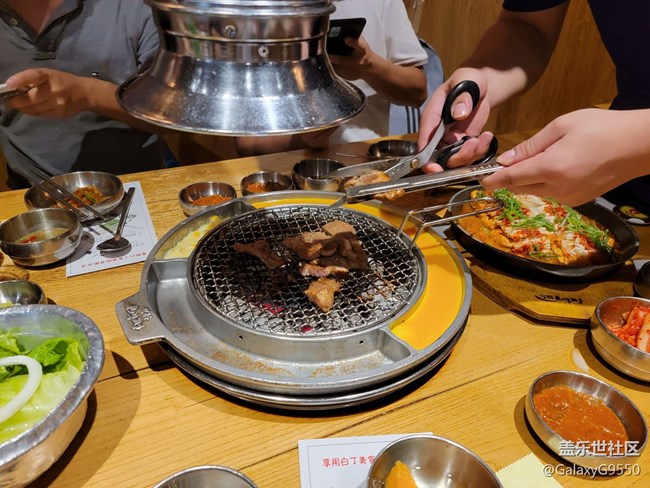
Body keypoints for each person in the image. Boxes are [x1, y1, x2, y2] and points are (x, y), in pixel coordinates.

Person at [417, 0, 650, 213]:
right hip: (618, 190)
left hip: (610, 165)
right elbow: (528, 26)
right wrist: (481, 79)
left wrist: (635, 140)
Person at [0, 0, 171, 189]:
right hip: (28, 188)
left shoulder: (138, 7)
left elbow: (170, 116)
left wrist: (88, 94)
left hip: (137, 181)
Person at [235, 0, 428, 156]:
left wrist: (368, 66)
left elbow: (417, 93)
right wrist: (300, 140)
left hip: (364, 165)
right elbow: (246, 144)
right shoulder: (258, 10)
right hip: (284, 172)